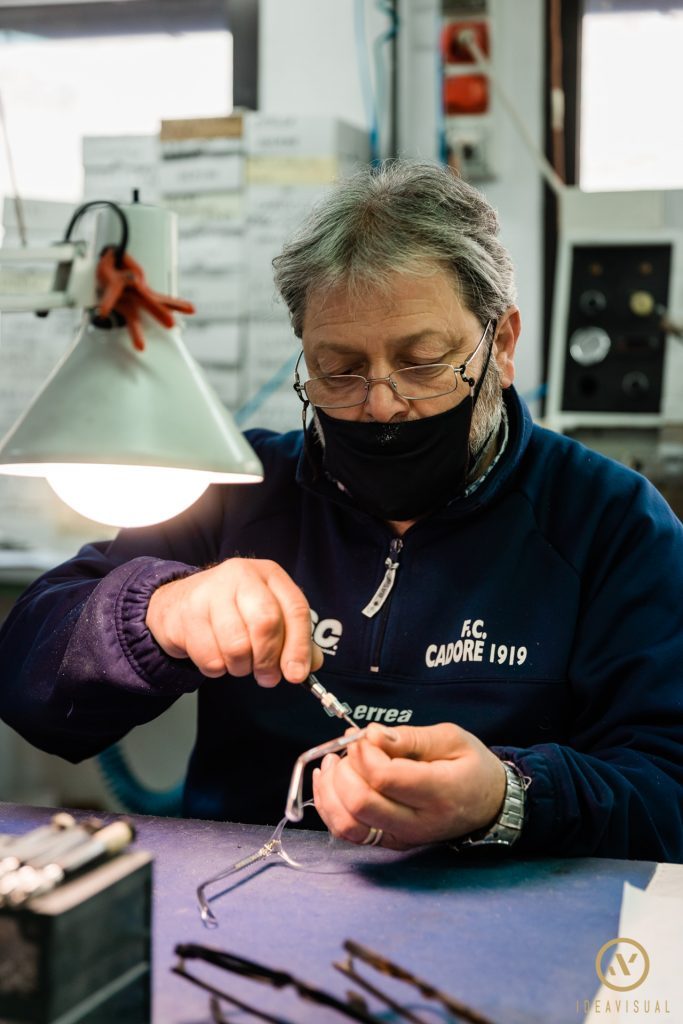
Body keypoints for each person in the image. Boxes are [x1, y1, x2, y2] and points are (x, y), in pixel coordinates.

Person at [0, 161, 682, 861]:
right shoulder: (237, 492)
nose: (381, 403)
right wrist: (153, 616)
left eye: (421, 363)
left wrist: (507, 798)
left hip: (510, 927)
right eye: (340, 368)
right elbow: (30, 689)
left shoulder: (609, 522)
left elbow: (667, 793)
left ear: (500, 346)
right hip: (241, 908)